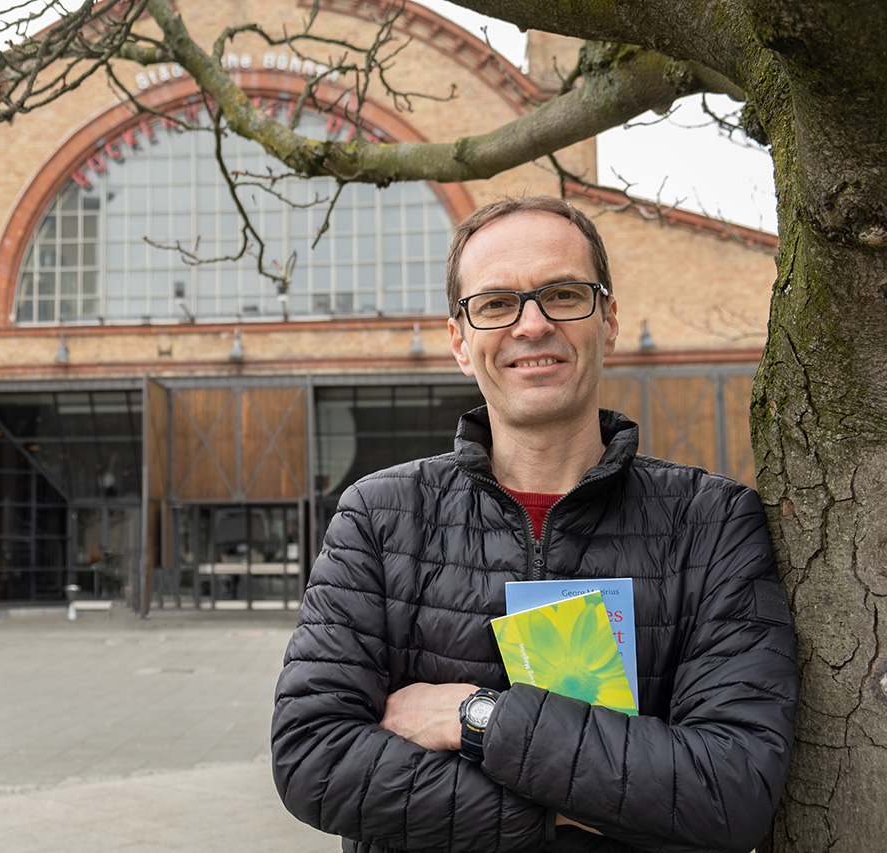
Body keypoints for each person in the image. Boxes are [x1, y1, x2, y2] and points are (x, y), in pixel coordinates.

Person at [271, 196, 798, 853]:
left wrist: (476, 718)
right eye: (496, 303)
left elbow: (730, 788)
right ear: (461, 342)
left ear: (607, 321)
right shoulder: (377, 517)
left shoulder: (712, 523)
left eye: (563, 293)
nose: (532, 324)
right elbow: (314, 759)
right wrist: (565, 810)